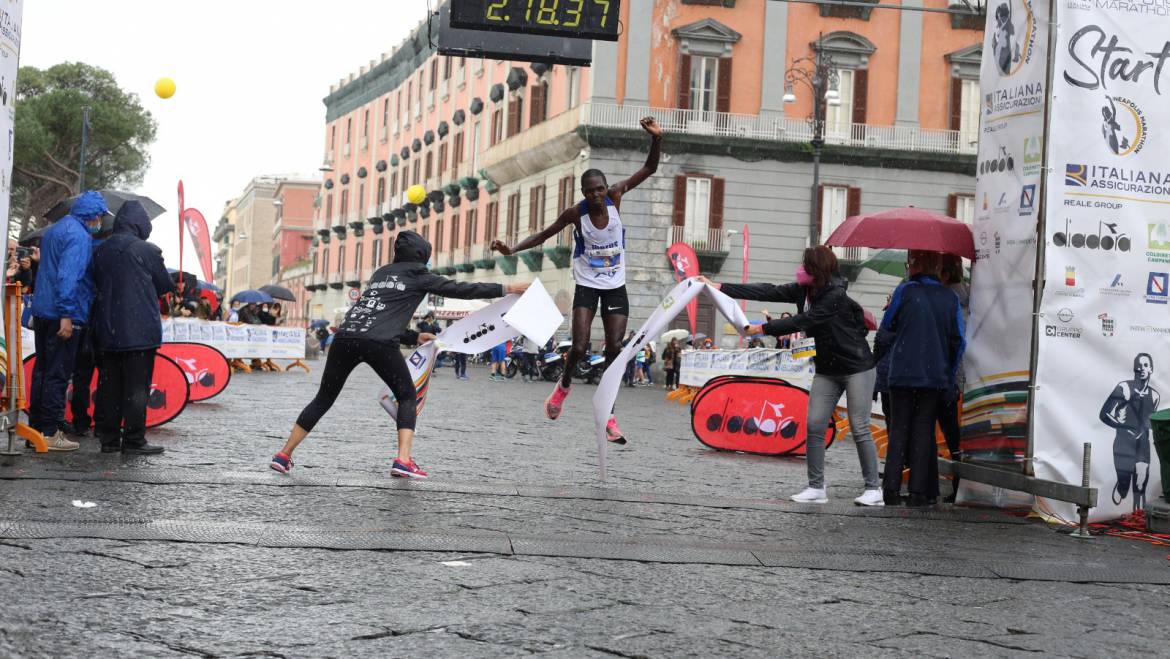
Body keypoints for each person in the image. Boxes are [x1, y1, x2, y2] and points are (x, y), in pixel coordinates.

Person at [270, 231, 528, 479]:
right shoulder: (419, 274)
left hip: (345, 337)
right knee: (407, 395)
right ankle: (403, 460)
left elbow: (379, 312)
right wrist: (508, 288)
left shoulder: (381, 273)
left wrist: (414, 337)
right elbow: (460, 289)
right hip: (379, 342)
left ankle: (283, 454)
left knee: (323, 398)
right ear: (421, 255)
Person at [492, 116, 663, 443]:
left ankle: (608, 414)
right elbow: (544, 235)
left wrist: (657, 139)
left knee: (615, 347)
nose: (598, 195)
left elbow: (649, 169)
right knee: (581, 345)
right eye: (591, 191)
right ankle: (563, 388)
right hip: (586, 284)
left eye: (600, 189)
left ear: (606, 188)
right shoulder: (576, 213)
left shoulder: (616, 196)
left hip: (615, 285)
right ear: (584, 193)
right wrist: (511, 249)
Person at [702, 245, 884, 506]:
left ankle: (873, 489)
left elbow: (805, 321)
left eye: (806, 265)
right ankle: (816, 487)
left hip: (857, 367)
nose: (801, 270)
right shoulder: (804, 290)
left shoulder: (835, 294)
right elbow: (768, 290)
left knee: (859, 426)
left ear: (817, 269)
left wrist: (762, 328)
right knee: (814, 425)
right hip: (827, 368)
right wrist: (719, 287)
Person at [875, 250, 965, 507]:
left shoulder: (905, 291)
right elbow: (958, 339)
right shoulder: (950, 297)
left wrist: (876, 357)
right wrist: (948, 370)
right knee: (923, 429)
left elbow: (887, 327)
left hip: (902, 370)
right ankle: (918, 492)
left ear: (915, 265)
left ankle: (890, 489)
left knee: (899, 429)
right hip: (933, 374)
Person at [89, 201, 176, 454]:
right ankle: (134, 440)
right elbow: (164, 284)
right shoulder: (148, 250)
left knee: (110, 385)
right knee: (137, 387)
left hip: (106, 328)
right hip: (139, 330)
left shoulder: (101, 250)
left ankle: (108, 439)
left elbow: (96, 281)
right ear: (141, 224)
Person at [27, 191, 109, 451]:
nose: (100, 222)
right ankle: (50, 433)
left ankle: (36, 429)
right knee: (57, 374)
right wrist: (67, 315)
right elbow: (68, 276)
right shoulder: (79, 237)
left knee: (42, 371)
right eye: (99, 217)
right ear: (93, 215)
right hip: (60, 313)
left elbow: (49, 272)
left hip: (42, 309)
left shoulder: (54, 230)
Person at [1100, 353, 1159, 511]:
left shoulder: (1155, 396)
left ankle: (1137, 515)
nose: (1142, 368)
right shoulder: (1124, 388)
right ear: (1134, 367)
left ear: (1151, 369)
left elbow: (1150, 421)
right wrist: (1122, 426)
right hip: (1123, 443)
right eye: (1139, 365)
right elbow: (1103, 414)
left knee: (1140, 483)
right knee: (1125, 483)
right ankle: (1121, 486)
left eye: (1146, 365)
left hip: (1142, 444)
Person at [937, 254, 969, 501]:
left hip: (948, 377)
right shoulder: (970, 297)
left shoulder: (946, 300)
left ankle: (953, 485)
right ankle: (960, 485)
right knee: (956, 435)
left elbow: (954, 342)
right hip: (965, 376)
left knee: (950, 433)